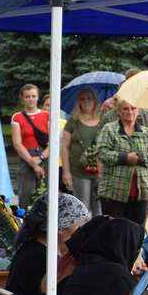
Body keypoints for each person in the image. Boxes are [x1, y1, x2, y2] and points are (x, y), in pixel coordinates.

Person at [6, 193, 90, 295]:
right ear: (61, 227)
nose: (81, 234)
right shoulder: (45, 259)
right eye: (79, 227)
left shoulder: (31, 249)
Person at [95, 99, 148, 225]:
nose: (130, 112)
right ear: (118, 111)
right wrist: (125, 157)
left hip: (140, 191)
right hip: (113, 191)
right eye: (125, 109)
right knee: (114, 232)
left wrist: (140, 158)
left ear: (138, 110)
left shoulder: (146, 133)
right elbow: (102, 153)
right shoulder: (109, 129)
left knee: (137, 232)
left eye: (133, 108)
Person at [62, 88, 102, 216]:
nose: (86, 101)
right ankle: (82, 234)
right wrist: (66, 172)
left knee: (99, 209)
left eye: (89, 98)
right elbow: (65, 147)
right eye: (82, 99)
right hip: (78, 171)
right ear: (78, 102)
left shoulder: (103, 121)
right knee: (81, 207)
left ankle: (98, 235)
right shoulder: (72, 121)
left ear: (95, 101)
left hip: (100, 171)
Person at [11, 84, 49, 208]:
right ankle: (24, 223)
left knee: (45, 193)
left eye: (33, 96)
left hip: (45, 156)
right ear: (22, 99)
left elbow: (54, 141)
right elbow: (17, 144)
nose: (31, 99)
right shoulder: (17, 117)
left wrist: (42, 158)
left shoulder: (47, 115)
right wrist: (33, 164)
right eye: (27, 97)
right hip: (26, 158)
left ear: (38, 97)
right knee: (25, 195)